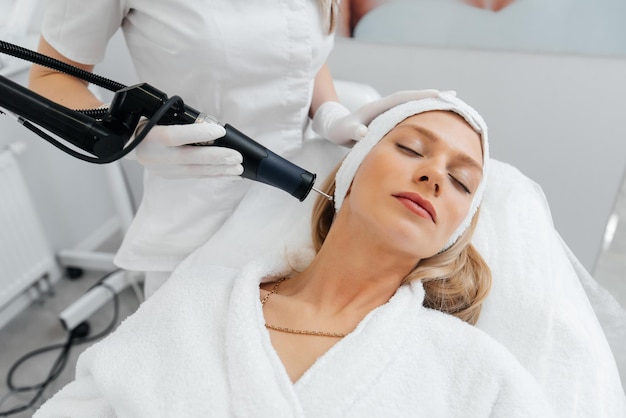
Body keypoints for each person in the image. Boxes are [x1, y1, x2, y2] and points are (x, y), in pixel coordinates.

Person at [33, 93, 557, 417]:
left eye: (462, 181)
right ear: (346, 176)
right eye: (410, 149)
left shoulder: (474, 370)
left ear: (454, 233)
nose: (434, 175)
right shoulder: (200, 298)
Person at [28, 0, 437, 297]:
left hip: (301, 212)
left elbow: (299, 55)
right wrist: (131, 136)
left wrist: (328, 111)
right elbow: (48, 77)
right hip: (199, 222)